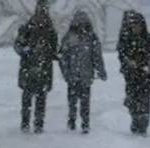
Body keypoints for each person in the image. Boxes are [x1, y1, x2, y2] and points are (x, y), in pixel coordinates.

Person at [58, 11, 107, 134]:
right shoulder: (69, 37)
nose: (81, 24)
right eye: (78, 22)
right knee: (72, 101)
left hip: (86, 75)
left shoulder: (92, 37)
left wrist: (101, 71)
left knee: (85, 102)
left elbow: (97, 56)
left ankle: (85, 123)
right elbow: (63, 57)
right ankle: (72, 121)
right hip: (72, 76)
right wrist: (66, 73)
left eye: (83, 22)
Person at [14, 0, 57, 134]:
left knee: (40, 99)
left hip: (42, 69)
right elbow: (18, 46)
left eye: (44, 9)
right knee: (28, 99)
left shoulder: (50, 31)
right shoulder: (28, 28)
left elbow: (54, 50)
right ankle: (26, 123)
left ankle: (38, 124)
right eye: (41, 9)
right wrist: (26, 50)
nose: (42, 12)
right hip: (31, 68)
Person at [117, 11, 150, 136]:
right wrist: (128, 62)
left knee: (144, 102)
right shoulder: (126, 40)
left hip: (146, 77)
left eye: (138, 25)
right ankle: (135, 119)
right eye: (133, 25)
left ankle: (143, 125)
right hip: (131, 76)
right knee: (132, 101)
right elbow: (122, 56)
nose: (135, 28)